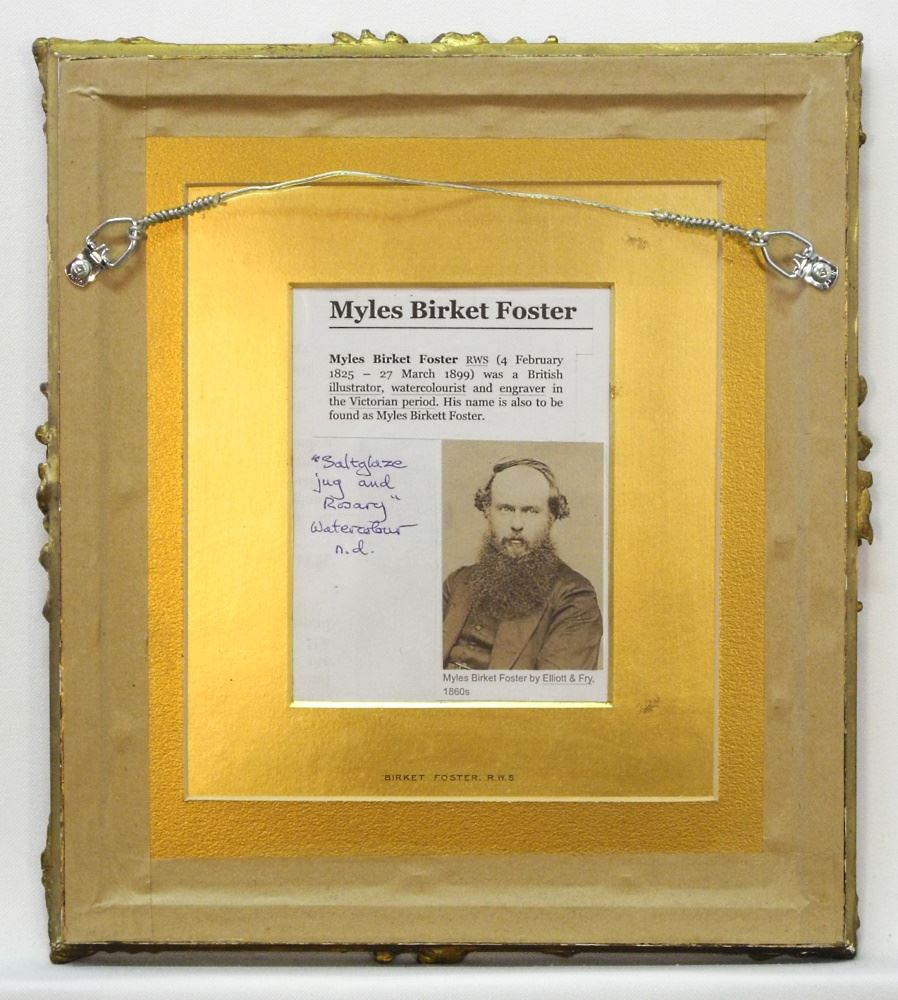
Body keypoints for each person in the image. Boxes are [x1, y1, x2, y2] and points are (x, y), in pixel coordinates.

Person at [442, 457, 602, 670]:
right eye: (505, 509)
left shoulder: (574, 598)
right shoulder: (458, 582)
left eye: (530, 511)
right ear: (487, 511)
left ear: (551, 518)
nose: (516, 524)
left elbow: (555, 689)